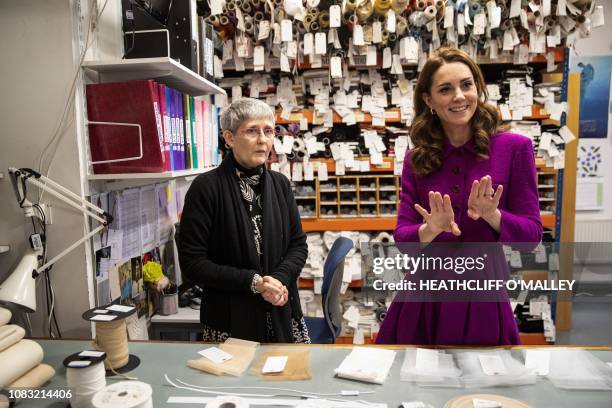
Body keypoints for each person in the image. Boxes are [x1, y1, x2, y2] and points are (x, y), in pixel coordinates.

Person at [376, 48, 543, 346]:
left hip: (482, 290)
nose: (459, 96)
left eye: (466, 85)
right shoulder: (417, 158)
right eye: (445, 89)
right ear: (428, 100)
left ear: (477, 88)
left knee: (482, 386)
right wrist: (431, 229)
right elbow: (402, 238)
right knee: (411, 386)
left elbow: (531, 237)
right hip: (424, 292)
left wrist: (494, 216)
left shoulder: (515, 149)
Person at [179, 98, 310, 343]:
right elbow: (192, 263)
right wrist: (254, 283)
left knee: (286, 380)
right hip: (230, 323)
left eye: (268, 131)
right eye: (252, 130)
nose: (262, 139)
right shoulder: (206, 188)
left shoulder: (280, 185)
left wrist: (279, 278)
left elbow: (298, 245)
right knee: (234, 382)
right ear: (229, 138)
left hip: (282, 313)